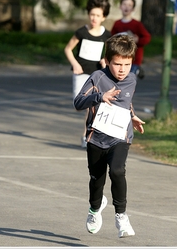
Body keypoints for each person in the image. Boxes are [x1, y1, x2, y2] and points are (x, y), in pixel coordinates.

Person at [73, 34, 145, 238]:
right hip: (96, 138)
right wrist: (99, 97)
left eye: (127, 64)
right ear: (107, 61)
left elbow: (125, 103)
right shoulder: (98, 77)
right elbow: (78, 103)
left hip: (120, 137)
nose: (122, 69)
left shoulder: (131, 79)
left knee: (117, 170)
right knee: (97, 180)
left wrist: (132, 116)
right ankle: (94, 210)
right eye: (117, 64)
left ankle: (121, 216)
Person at [64, 0, 112, 148]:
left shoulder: (106, 35)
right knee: (79, 104)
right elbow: (68, 49)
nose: (94, 18)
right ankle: (87, 134)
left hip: (97, 74)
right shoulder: (81, 32)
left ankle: (86, 135)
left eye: (98, 15)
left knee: (92, 105)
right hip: (80, 72)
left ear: (103, 17)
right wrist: (75, 64)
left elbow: (110, 54)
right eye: (92, 14)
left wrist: (105, 60)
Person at [111, 0, 151, 80]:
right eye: (124, 4)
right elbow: (111, 39)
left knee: (129, 84)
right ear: (120, 7)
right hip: (119, 59)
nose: (127, 7)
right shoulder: (117, 24)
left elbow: (147, 37)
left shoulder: (137, 24)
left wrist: (137, 40)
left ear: (133, 9)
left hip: (133, 60)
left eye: (129, 5)